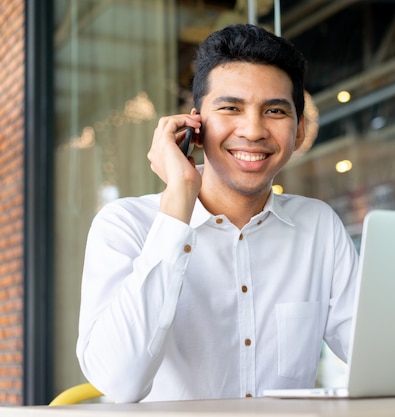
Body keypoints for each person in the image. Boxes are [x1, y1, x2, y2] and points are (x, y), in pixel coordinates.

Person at [76, 24, 359, 403]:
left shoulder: (318, 226)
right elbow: (120, 383)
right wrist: (179, 201)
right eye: (230, 108)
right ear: (195, 124)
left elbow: (376, 355)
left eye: (275, 110)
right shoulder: (125, 225)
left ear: (300, 128)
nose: (253, 130)